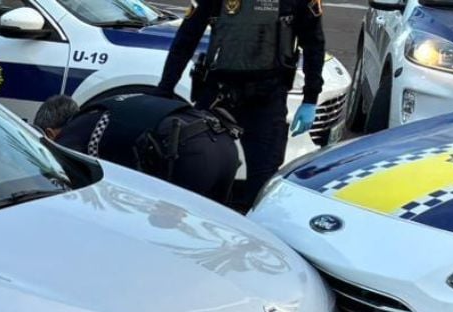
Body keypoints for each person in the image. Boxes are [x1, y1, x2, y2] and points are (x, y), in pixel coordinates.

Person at [157, 0, 323, 207]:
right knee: (197, 169)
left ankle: (252, 230)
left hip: (266, 98)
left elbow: (313, 44)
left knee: (262, 183)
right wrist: (164, 89)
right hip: (218, 94)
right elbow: (186, 38)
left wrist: (310, 98)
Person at [37, 92, 242, 203]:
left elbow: (64, 188)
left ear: (50, 133)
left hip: (192, 156)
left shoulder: (72, 134)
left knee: (174, 237)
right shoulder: (103, 109)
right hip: (224, 143)